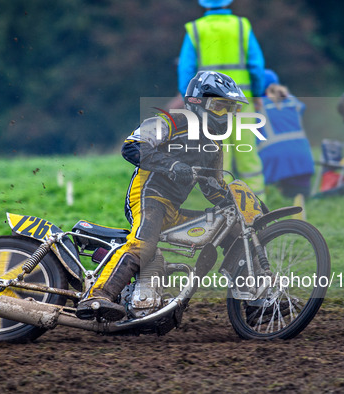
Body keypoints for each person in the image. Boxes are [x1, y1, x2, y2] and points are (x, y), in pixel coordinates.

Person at [76, 71, 248, 321]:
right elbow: (132, 146)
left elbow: (213, 187)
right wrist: (171, 166)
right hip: (148, 196)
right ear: (197, 103)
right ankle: (97, 296)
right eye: (219, 107)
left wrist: (242, 206)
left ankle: (256, 302)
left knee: (230, 228)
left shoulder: (214, 142)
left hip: (173, 210)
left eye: (229, 109)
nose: (224, 116)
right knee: (143, 245)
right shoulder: (171, 121)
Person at [178, 0, 266, 197]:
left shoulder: (195, 29)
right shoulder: (242, 26)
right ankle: (258, 210)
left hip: (208, 105)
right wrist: (258, 93)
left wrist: (189, 98)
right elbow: (257, 66)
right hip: (242, 102)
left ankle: (227, 211)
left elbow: (185, 69)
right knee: (248, 156)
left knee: (219, 157)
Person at [256, 69, 314, 198]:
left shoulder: (256, 106)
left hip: (273, 161)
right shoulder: (293, 101)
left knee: (279, 203)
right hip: (303, 157)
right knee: (302, 199)